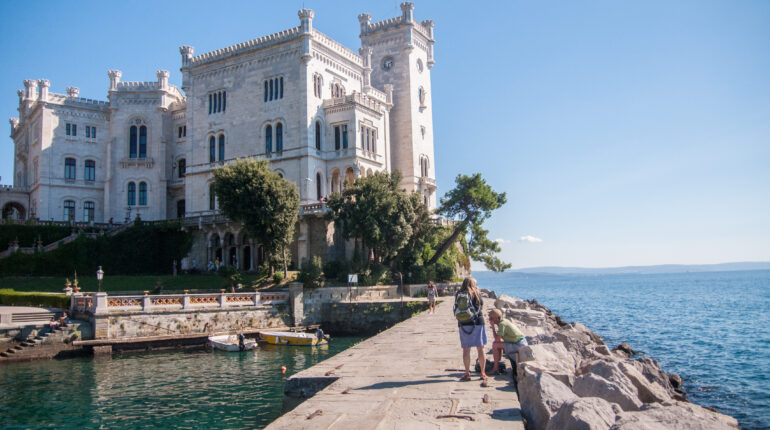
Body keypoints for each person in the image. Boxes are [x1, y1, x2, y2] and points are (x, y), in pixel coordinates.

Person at [454, 277, 487, 382]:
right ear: (473, 284)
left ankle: (467, 373)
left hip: (463, 323)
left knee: (466, 350)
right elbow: (481, 306)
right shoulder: (476, 293)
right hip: (478, 322)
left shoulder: (458, 294)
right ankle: (482, 373)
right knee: (480, 349)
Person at [488, 308, 528, 375]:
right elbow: (499, 339)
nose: (490, 320)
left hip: (519, 345)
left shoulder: (502, 324)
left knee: (495, 345)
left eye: (491, 318)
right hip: (521, 342)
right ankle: (498, 362)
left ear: (496, 318)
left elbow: (497, 339)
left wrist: (493, 328)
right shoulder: (503, 321)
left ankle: (495, 369)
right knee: (497, 343)